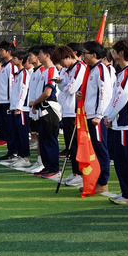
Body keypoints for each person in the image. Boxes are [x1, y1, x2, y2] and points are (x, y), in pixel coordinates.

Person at [104, 39, 128, 205]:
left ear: (121, 53)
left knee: (123, 161)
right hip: (119, 122)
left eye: (115, 50)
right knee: (119, 161)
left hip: (125, 123)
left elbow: (122, 98)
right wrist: (108, 115)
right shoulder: (122, 72)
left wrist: (110, 116)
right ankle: (125, 191)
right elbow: (114, 97)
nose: (112, 52)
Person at [78, 41, 113, 194]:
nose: (83, 55)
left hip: (96, 117)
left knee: (100, 149)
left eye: (85, 52)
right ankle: (93, 179)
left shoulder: (101, 70)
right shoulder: (90, 70)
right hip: (89, 114)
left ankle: (103, 181)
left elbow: (105, 93)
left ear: (94, 54)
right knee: (93, 149)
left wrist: (99, 115)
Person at [52, 45, 87, 186]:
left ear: (68, 57)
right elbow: (61, 86)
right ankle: (75, 172)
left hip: (75, 110)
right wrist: (62, 85)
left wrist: (64, 85)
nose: (61, 65)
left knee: (76, 144)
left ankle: (81, 173)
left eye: (61, 61)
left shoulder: (80, 67)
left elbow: (72, 88)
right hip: (66, 110)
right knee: (69, 144)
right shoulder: (66, 70)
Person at [29, 44, 61, 178]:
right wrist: (36, 105)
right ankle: (47, 167)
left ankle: (54, 168)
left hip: (50, 109)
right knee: (43, 139)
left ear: (47, 55)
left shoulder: (52, 70)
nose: (39, 56)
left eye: (41, 53)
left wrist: (35, 102)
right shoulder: (44, 71)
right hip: (43, 108)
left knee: (50, 139)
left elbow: (47, 92)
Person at [0, 41, 19, 161]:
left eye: (2, 50)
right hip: (2, 101)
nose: (0, 52)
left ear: (9, 52)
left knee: (10, 128)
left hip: (8, 102)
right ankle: (11, 150)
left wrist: (11, 102)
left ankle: (14, 151)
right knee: (5, 127)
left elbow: (12, 84)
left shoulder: (11, 66)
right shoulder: (4, 66)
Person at [9, 51, 33, 168]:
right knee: (16, 132)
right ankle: (20, 155)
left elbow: (24, 90)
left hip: (22, 108)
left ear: (21, 60)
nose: (13, 59)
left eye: (15, 58)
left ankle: (25, 157)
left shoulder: (24, 73)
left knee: (22, 133)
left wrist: (19, 106)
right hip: (15, 107)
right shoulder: (18, 73)